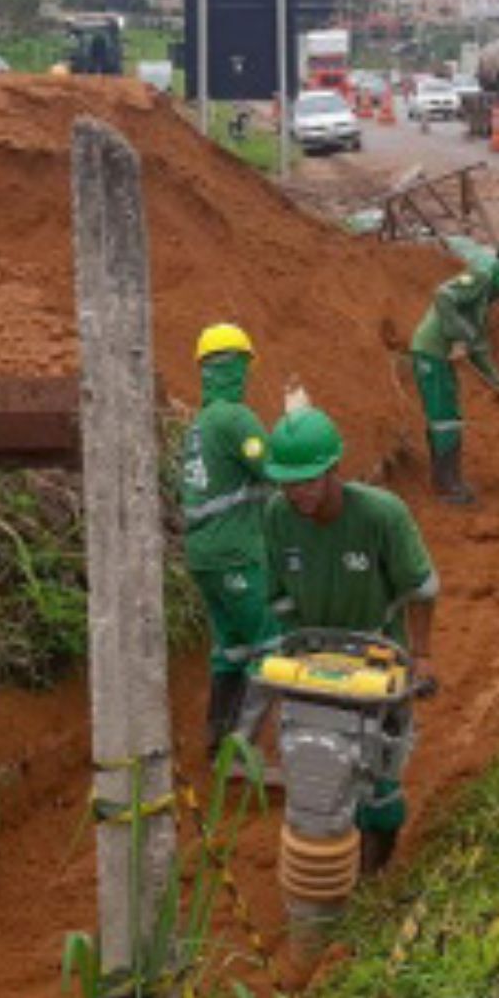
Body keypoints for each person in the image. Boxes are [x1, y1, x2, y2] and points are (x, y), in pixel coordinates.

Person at [262, 405, 437, 873]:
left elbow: (421, 588)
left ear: (333, 469)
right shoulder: (278, 515)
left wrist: (420, 655)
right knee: (316, 763)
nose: (297, 492)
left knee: (378, 771)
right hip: (314, 657)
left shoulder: (381, 515)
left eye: (308, 480)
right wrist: (287, 651)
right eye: (288, 481)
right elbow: (278, 596)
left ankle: (376, 864)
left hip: (376, 655)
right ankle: (326, 857)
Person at [180, 323, 280, 758]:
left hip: (203, 556)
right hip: (236, 550)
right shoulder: (236, 419)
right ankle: (241, 747)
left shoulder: (200, 423)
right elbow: (275, 469)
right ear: (240, 366)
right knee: (269, 642)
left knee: (230, 648)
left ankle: (216, 737)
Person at [409, 246, 499, 505]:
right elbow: (443, 296)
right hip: (432, 354)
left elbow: (479, 348)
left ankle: (447, 479)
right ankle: (447, 487)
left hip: (439, 357)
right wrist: (459, 337)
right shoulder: (481, 277)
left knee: (447, 415)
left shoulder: (484, 300)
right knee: (444, 417)